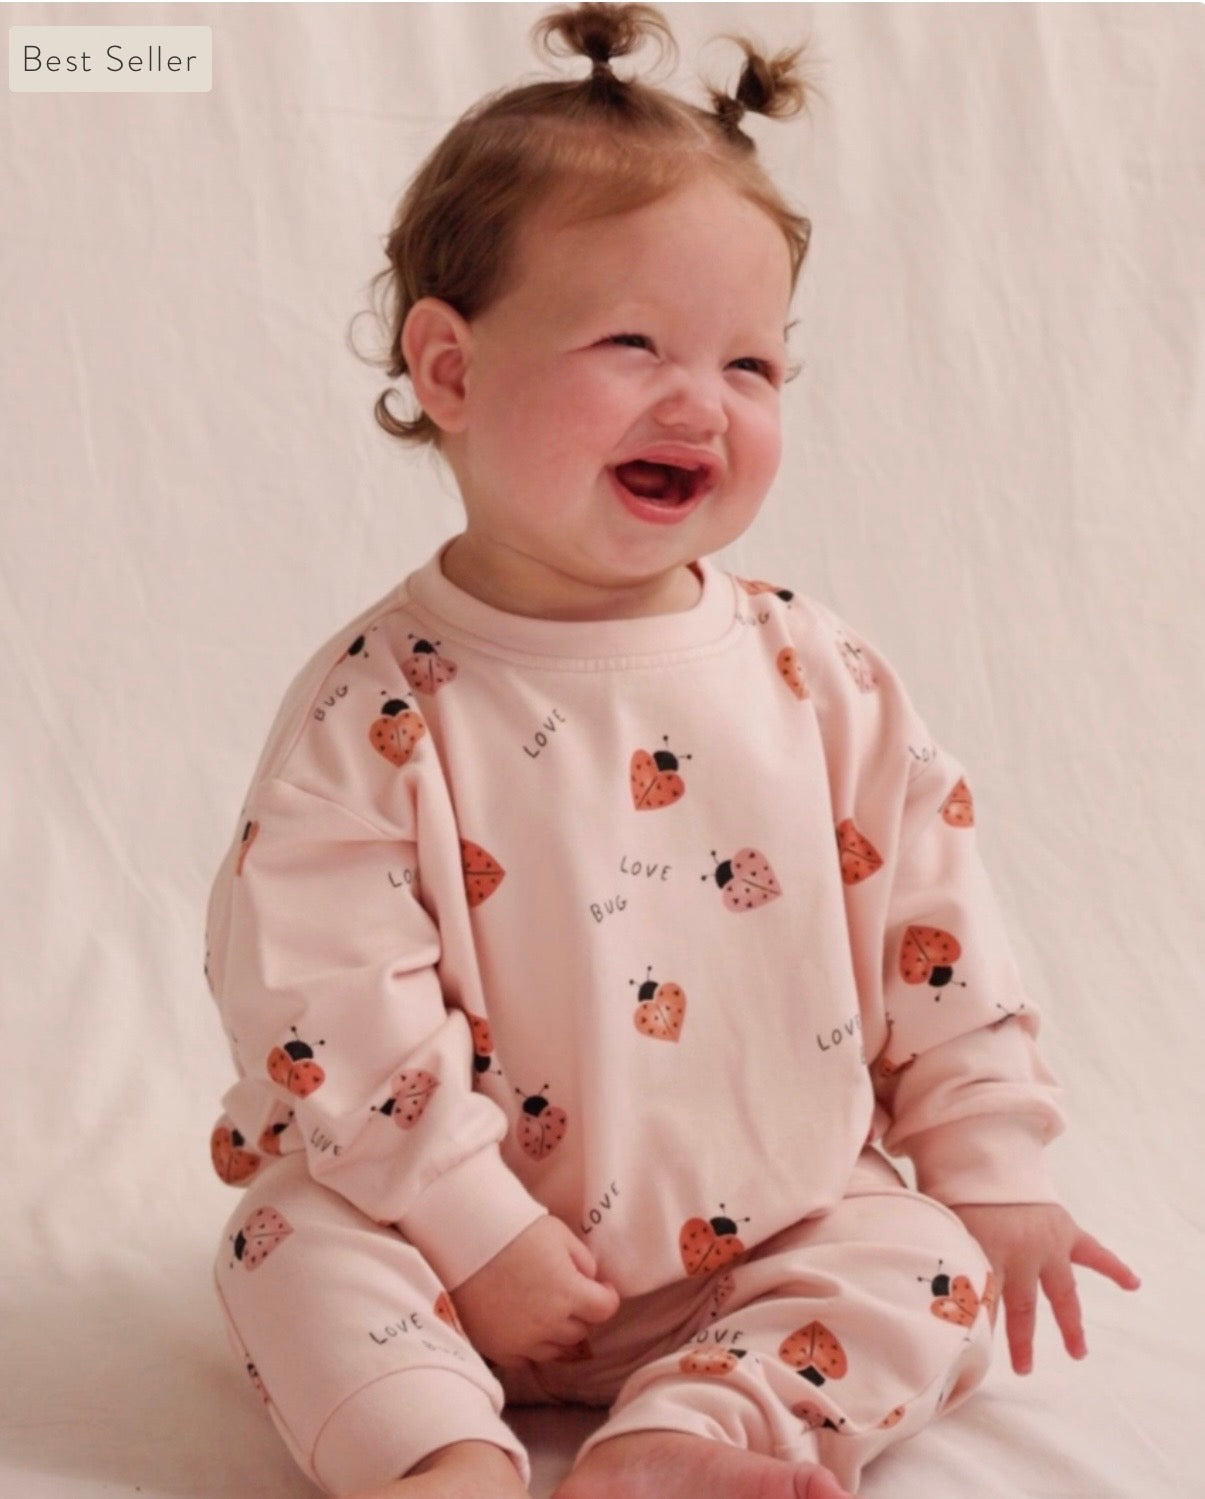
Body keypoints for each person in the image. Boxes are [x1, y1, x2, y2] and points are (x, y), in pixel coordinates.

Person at [204, 5, 1140, 1496]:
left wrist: (991, 1166)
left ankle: (679, 1439)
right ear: (449, 370)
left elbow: (937, 929)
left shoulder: (818, 676)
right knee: (286, 1244)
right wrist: (473, 1227)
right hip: (436, 1239)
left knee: (923, 1266)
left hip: (758, 1238)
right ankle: (439, 1454)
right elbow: (322, 997)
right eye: (632, 343)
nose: (700, 401)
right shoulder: (382, 705)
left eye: (751, 364)